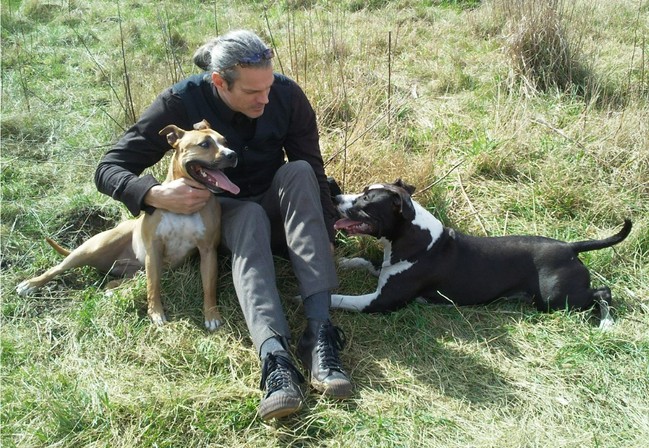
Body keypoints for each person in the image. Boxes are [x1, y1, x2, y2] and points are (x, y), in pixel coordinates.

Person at [94, 29, 352, 420]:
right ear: (219, 81)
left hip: (273, 202)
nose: (265, 98)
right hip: (222, 212)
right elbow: (109, 167)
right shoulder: (181, 102)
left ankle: (320, 333)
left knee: (299, 170)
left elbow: (313, 167)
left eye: (268, 87)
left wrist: (328, 226)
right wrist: (154, 194)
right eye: (252, 92)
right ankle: (275, 357)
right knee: (247, 215)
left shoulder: (286, 95)